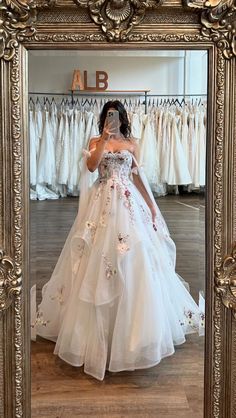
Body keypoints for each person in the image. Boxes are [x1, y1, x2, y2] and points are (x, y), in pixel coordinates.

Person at [36, 100, 201, 381]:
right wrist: (103, 139)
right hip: (101, 206)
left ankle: (134, 334)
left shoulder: (133, 143)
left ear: (122, 118)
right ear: (104, 119)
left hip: (128, 204)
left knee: (137, 259)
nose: (111, 120)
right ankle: (95, 336)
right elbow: (91, 168)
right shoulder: (95, 140)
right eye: (107, 116)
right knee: (95, 262)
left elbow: (138, 179)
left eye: (115, 116)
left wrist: (151, 207)